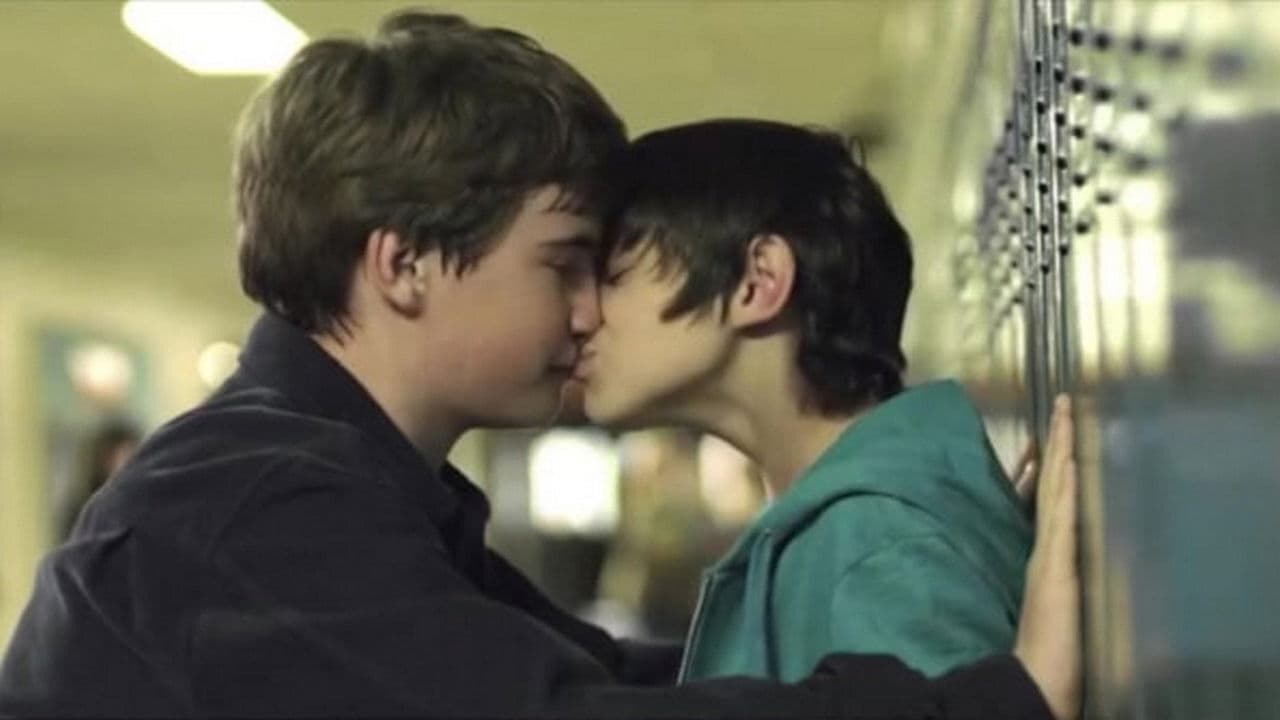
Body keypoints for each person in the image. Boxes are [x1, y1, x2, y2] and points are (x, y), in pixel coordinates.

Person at [0, 10, 1080, 718]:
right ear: (405, 265)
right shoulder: (257, 510)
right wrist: (998, 697)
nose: (588, 310)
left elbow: (611, 680)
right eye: (563, 264)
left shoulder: (346, 486)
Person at [577, 119, 1033, 681]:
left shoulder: (879, 542)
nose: (582, 315)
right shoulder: (851, 524)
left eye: (613, 277)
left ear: (758, 281)